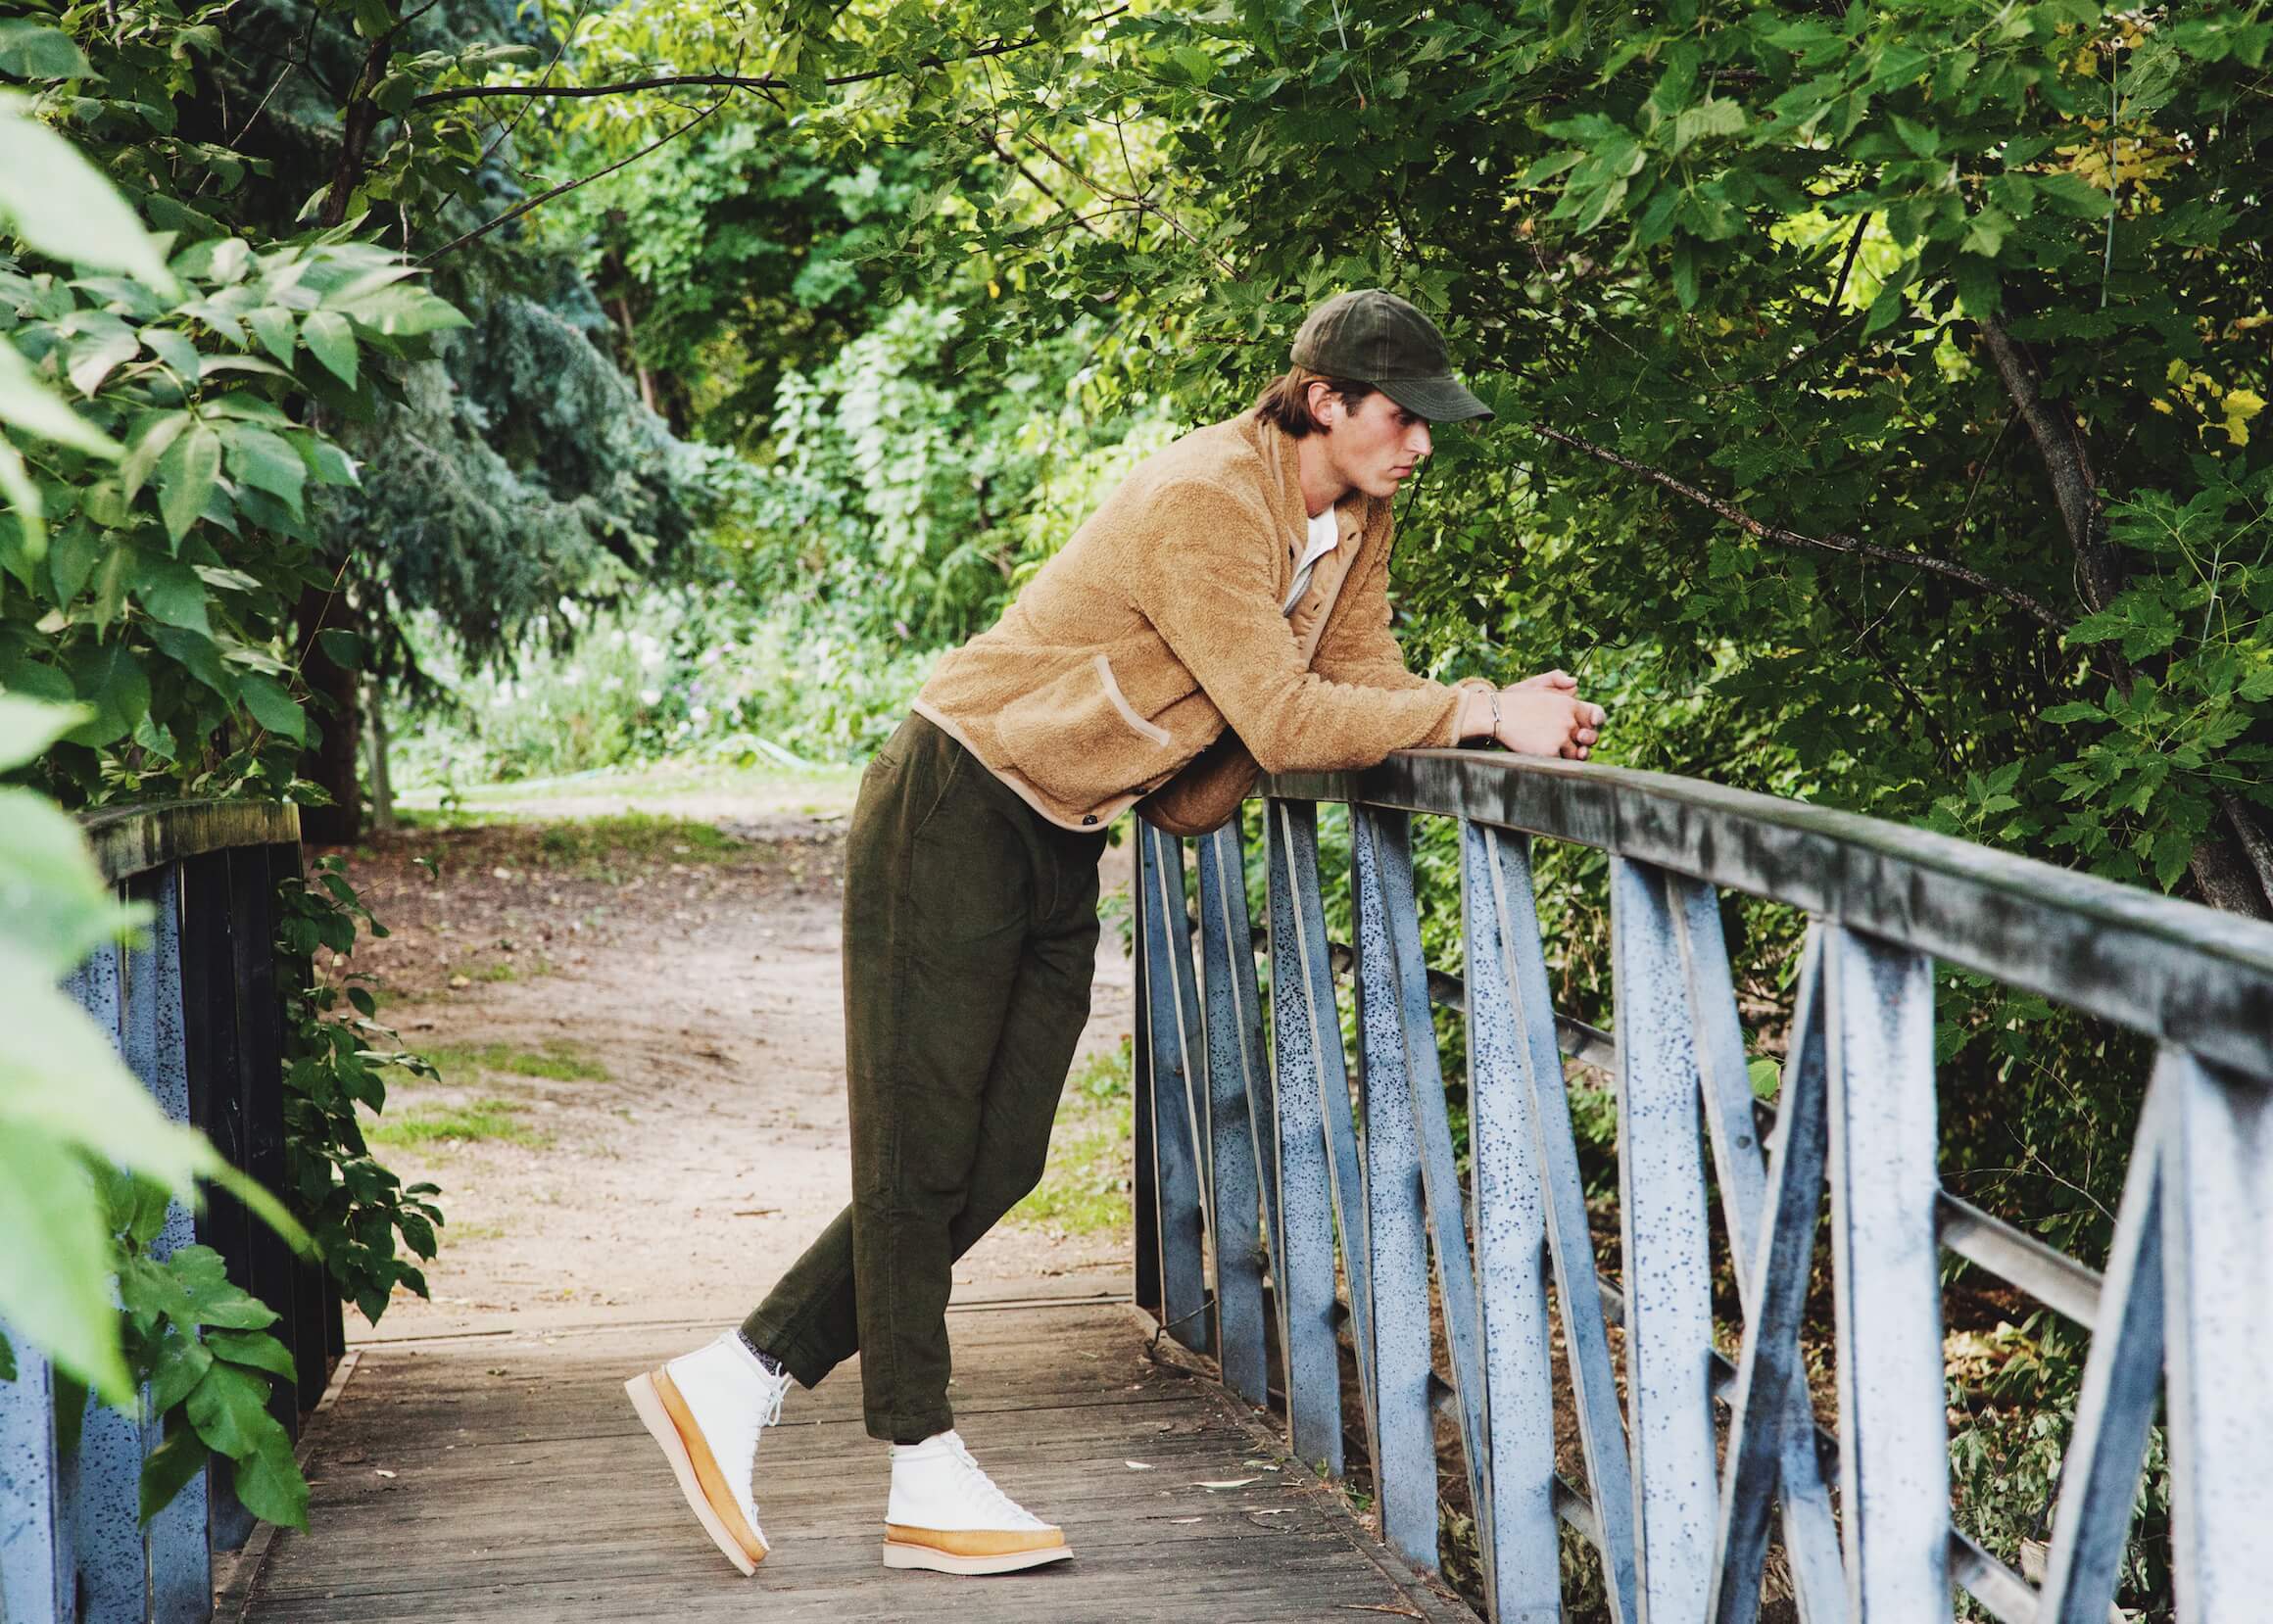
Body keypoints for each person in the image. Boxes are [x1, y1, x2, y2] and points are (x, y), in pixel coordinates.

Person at [622, 288, 1606, 1578]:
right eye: (1401, 415)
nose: (1420, 443)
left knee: (1005, 1154)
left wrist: (1485, 707)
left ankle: (733, 1373)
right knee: (921, 1149)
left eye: (1428, 421)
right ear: (1322, 399)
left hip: (1066, 830)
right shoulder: (1207, 498)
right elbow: (1288, 717)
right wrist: (1479, 714)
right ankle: (922, 1466)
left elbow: (1362, 678)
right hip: (955, 804)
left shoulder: (1352, 521)